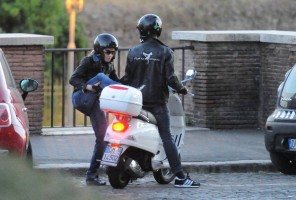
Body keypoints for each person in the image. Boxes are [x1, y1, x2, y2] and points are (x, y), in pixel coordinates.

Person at [121, 14, 200, 188]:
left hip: (137, 103)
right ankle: (180, 177)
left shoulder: (133, 51)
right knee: (167, 137)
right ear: (158, 30)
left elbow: (127, 78)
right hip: (156, 103)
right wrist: (182, 89)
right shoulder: (165, 52)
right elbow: (170, 78)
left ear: (142, 30)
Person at [69, 33, 120, 186]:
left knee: (103, 137)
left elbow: (116, 82)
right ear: (99, 50)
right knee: (101, 77)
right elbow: (73, 79)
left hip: (93, 103)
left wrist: (133, 80)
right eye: (108, 52)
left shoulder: (109, 65)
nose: (111, 55)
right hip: (81, 97)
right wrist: (89, 87)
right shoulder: (88, 61)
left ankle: (92, 175)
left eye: (113, 52)